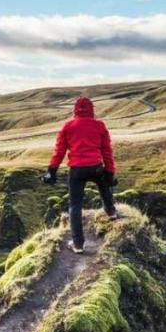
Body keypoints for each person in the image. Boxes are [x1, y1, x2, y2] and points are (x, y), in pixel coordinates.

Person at [42, 96, 117, 253]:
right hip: (96, 167)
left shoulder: (68, 126)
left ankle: (77, 245)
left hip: (76, 170)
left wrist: (51, 171)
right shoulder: (99, 125)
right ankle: (111, 212)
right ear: (92, 109)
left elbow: (59, 151)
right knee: (104, 186)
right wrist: (110, 171)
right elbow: (107, 151)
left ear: (75, 110)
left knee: (75, 206)